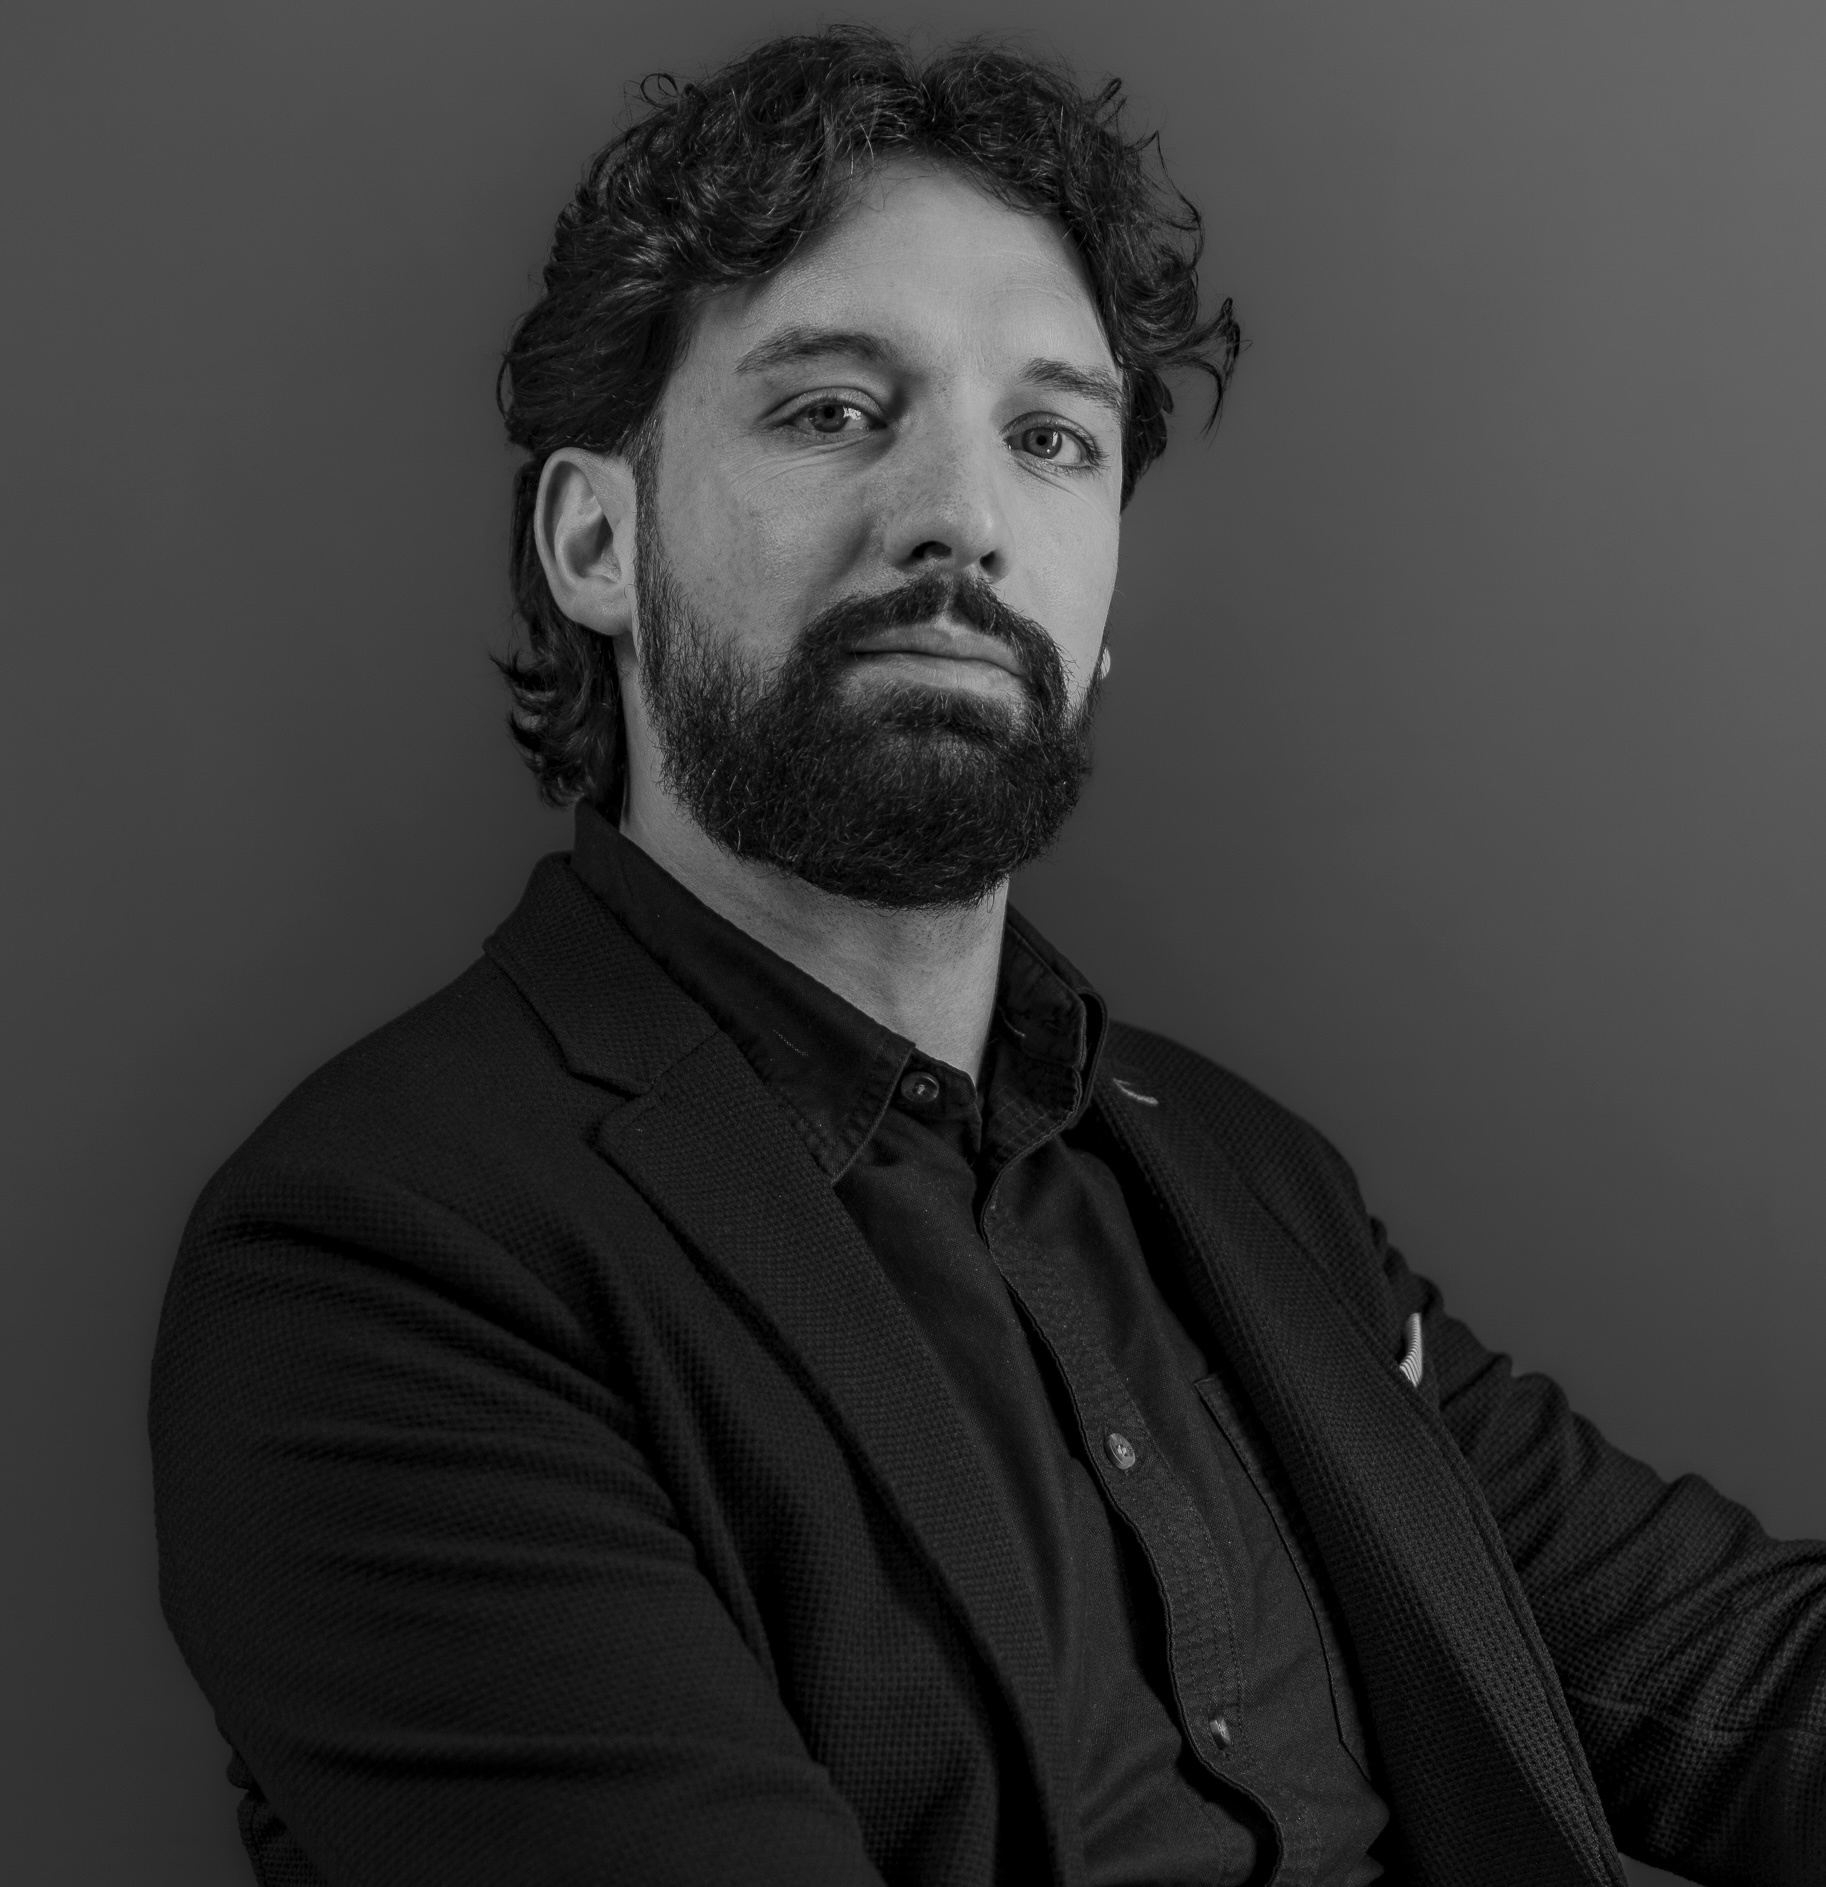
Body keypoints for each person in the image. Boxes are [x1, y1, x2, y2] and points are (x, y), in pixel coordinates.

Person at [149, 27, 1825, 1887]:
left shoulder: (1250, 1183)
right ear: (595, 543)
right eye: (830, 411)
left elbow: (1736, 1681)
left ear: (1099, 607)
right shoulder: (381, 1260)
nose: (962, 514)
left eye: (1049, 439)